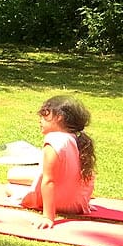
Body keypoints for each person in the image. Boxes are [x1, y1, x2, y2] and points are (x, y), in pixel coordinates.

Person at [16, 95, 96, 229]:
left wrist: (48, 216)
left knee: (10, 186)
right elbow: (87, 178)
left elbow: (49, 181)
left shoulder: (53, 140)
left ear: (59, 117)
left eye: (44, 115)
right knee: (17, 174)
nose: (40, 120)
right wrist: (83, 202)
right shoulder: (77, 139)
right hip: (76, 204)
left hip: (58, 202)